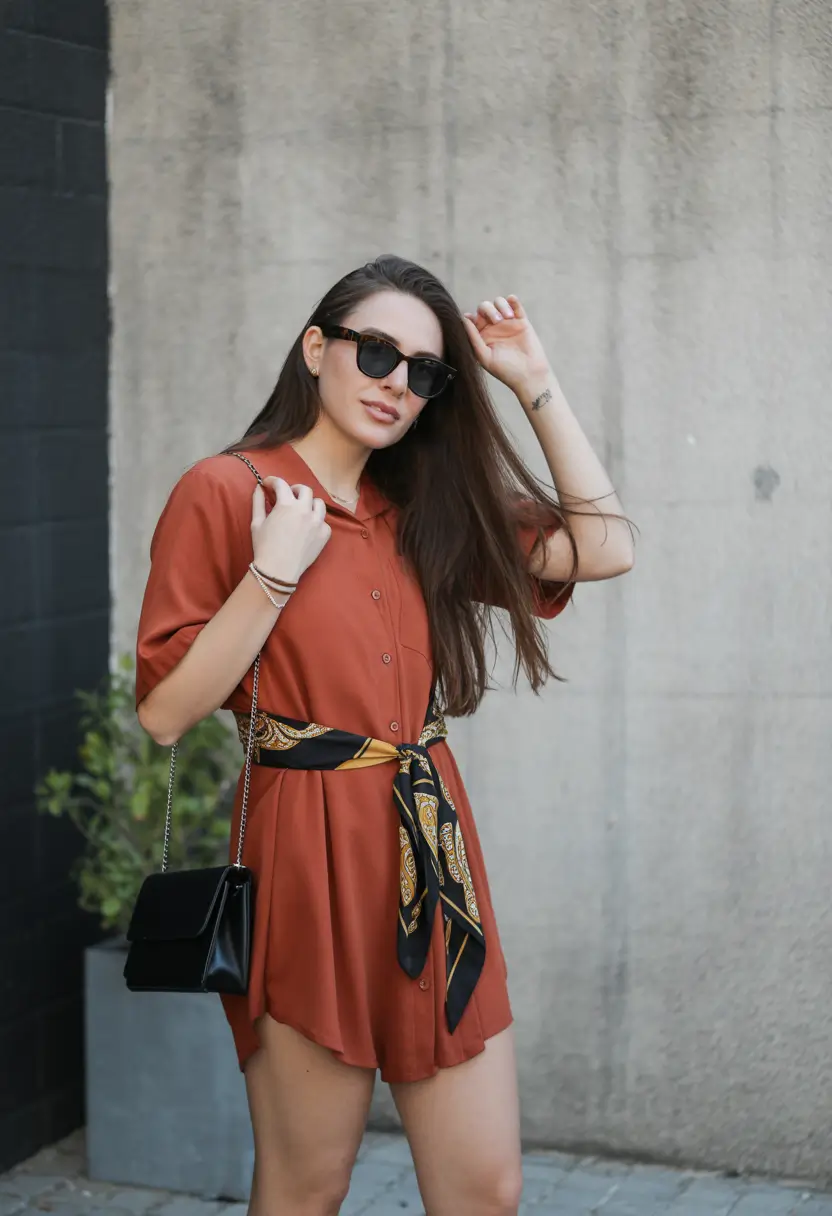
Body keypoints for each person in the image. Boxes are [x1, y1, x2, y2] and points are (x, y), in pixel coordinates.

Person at [135, 254, 634, 1216]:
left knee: (487, 1189)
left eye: (425, 371)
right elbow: (164, 711)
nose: (397, 382)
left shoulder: (421, 507)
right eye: (375, 352)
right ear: (315, 349)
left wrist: (534, 383)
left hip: (431, 849)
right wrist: (272, 574)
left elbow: (605, 548)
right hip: (304, 852)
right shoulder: (227, 489)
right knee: (306, 1186)